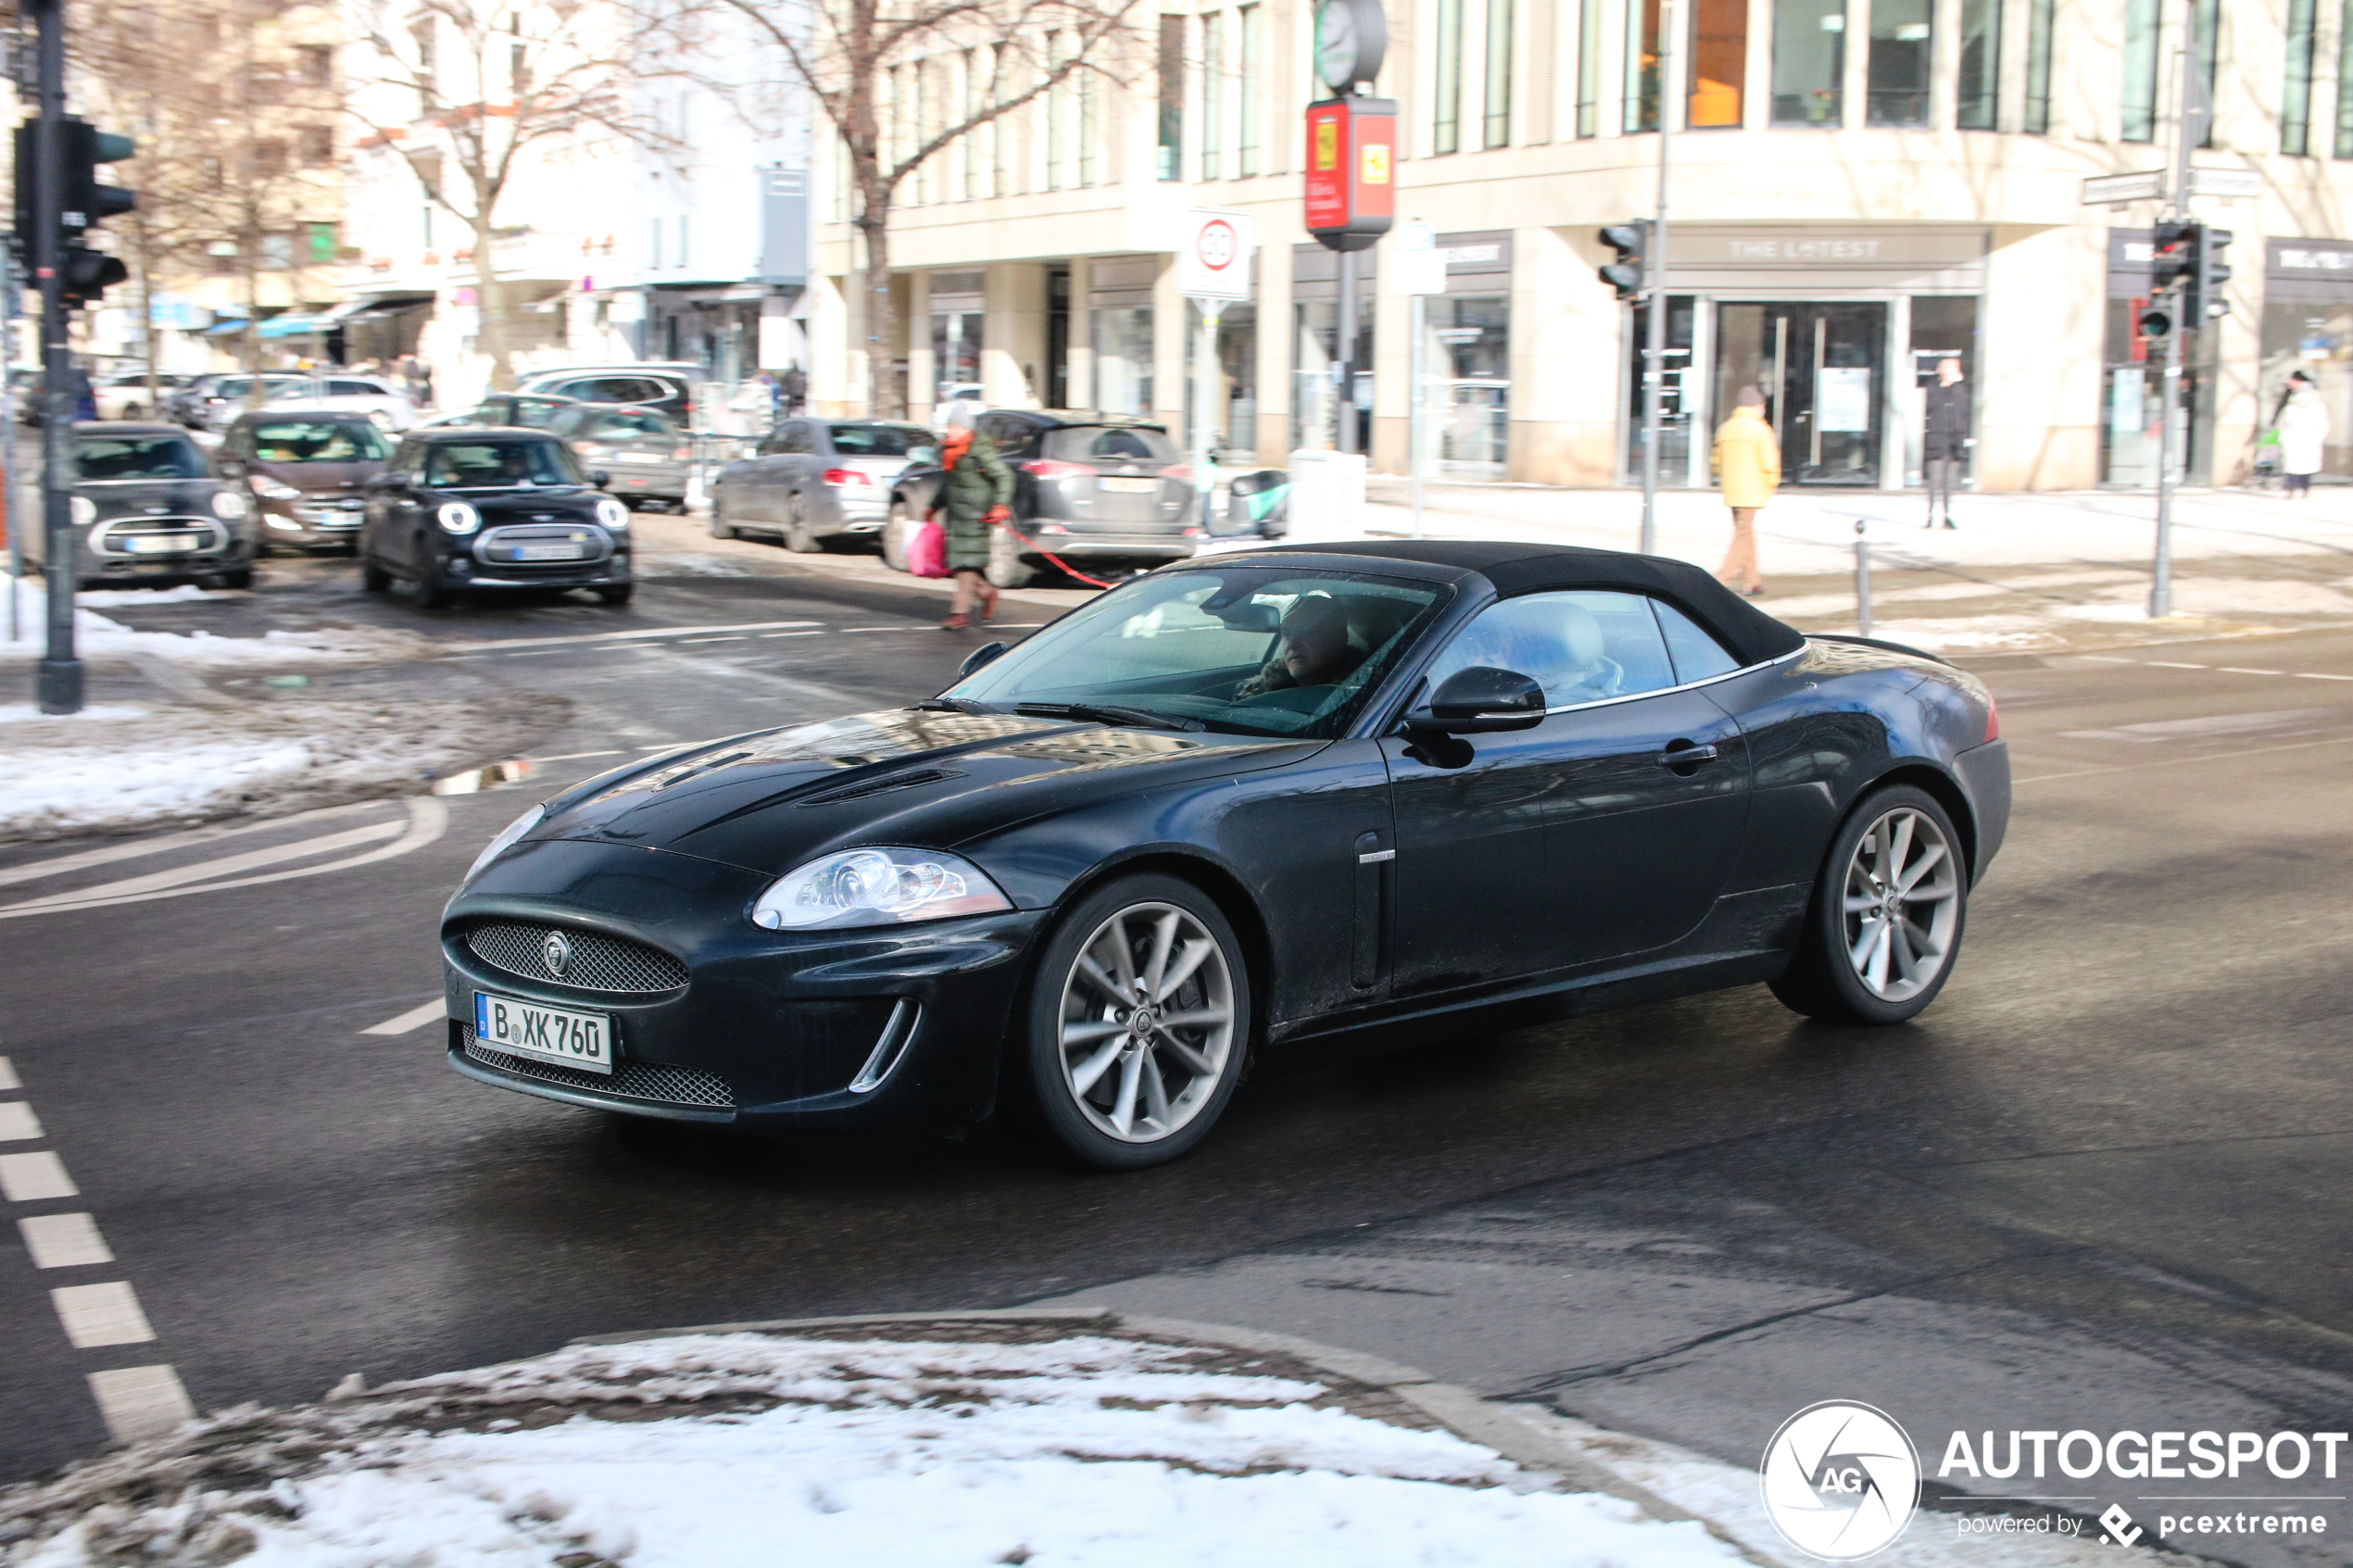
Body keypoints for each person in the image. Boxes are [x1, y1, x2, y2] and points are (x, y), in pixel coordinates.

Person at [931, 419, 1013, 630]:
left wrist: (1000, 505)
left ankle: (960, 614)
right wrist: (933, 507)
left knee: (965, 565)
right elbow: (949, 486)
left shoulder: (979, 451)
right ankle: (986, 592)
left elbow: (1005, 476)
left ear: (965, 429)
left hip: (977, 516)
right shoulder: (951, 452)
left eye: (953, 426)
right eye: (948, 426)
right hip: (957, 518)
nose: (949, 430)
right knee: (959, 565)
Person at [1710, 385, 1779, 596]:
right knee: (1742, 535)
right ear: (1757, 405)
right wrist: (1772, 482)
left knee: (1745, 533)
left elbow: (1716, 462)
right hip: (1753, 489)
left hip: (1732, 489)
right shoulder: (1759, 428)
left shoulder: (1726, 428)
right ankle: (1720, 580)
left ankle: (1752, 581)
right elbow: (1769, 460)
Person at [1234, 596, 1364, 700]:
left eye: (1306, 631)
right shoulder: (1259, 689)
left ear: (1339, 636)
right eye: (1286, 633)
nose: (1292, 644)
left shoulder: (1366, 697)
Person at [1922, 357, 1970, 529]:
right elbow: (1929, 406)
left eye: (1955, 368)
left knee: (1950, 482)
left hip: (1955, 441)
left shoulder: (1961, 390)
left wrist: (1966, 437)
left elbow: (1965, 413)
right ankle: (1930, 515)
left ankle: (1947, 515)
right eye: (1948, 368)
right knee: (1935, 480)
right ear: (1940, 370)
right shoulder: (1932, 388)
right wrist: (1945, 385)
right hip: (1937, 439)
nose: (1952, 371)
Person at [2276, 370, 2330, 499]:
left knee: (2307, 466)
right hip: (2292, 441)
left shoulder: (2318, 408)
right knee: (2291, 466)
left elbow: (2324, 425)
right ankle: (2291, 489)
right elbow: (2283, 424)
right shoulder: (2290, 408)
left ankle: (2305, 488)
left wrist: (2317, 438)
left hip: (2309, 441)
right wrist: (2283, 438)